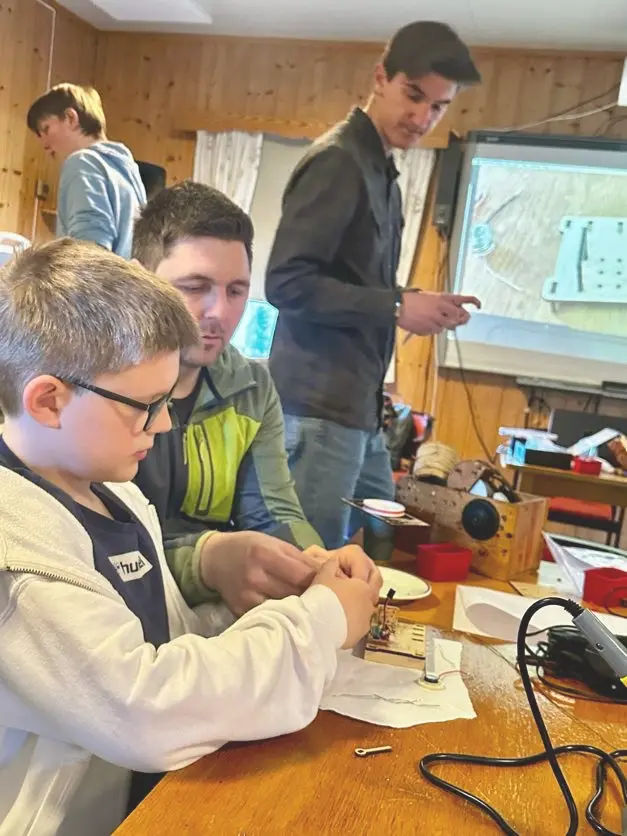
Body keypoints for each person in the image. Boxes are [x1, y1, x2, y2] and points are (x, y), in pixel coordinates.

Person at [0, 238, 379, 836]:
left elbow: (167, 641)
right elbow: (146, 709)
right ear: (49, 400)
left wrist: (278, 598)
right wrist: (320, 621)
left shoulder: (116, 498)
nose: (164, 424)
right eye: (146, 405)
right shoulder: (18, 555)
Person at [266, 21, 482, 548]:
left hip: (359, 411)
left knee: (386, 547)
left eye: (439, 107)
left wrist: (416, 303)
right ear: (381, 77)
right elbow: (286, 282)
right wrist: (397, 306)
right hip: (317, 409)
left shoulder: (381, 170)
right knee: (305, 565)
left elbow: (360, 282)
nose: (422, 117)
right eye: (414, 95)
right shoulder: (339, 160)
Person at [133, 181, 370, 617]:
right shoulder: (94, 385)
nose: (220, 313)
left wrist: (314, 561)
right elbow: (97, 540)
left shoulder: (253, 389)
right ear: (138, 280)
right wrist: (206, 560)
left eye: (236, 291)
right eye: (195, 286)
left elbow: (273, 511)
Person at [27, 83, 146, 258]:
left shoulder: (82, 162)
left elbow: (89, 253)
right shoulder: (125, 167)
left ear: (71, 118)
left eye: (46, 129)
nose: (44, 145)